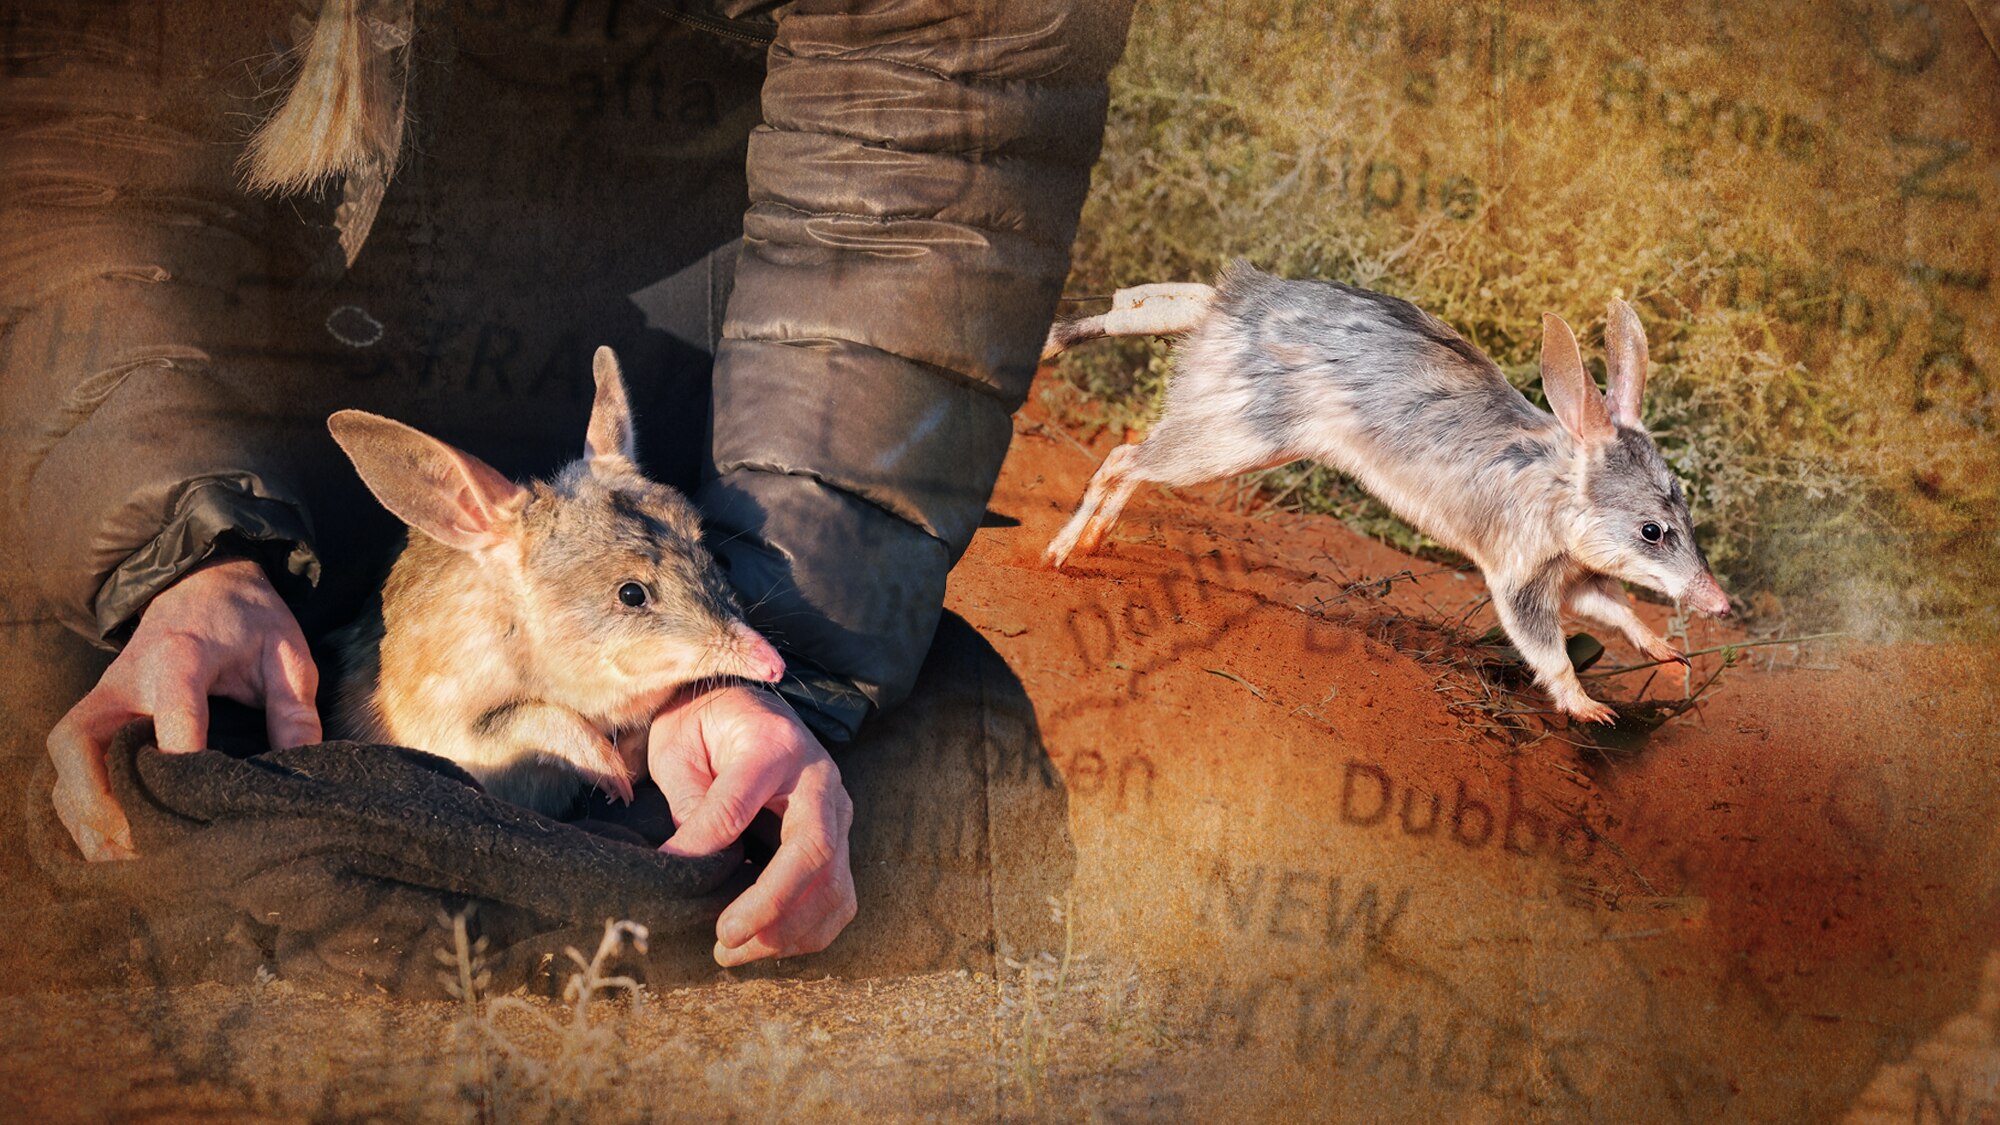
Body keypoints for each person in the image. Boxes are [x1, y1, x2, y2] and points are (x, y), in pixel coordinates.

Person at [4, 0, 1133, 967]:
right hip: (242, 392)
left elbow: (935, 128)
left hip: (704, 392)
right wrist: (188, 548)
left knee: (917, 817)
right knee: (99, 781)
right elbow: (76, 136)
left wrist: (781, 678)